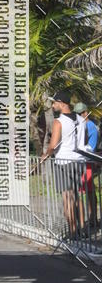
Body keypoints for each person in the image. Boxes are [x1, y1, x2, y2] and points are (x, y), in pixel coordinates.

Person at [40, 91, 86, 239]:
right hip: (79, 161)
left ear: (62, 103)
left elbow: (53, 145)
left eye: (55, 103)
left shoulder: (58, 122)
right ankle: (82, 229)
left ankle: (73, 231)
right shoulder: (81, 119)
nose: (53, 105)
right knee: (76, 197)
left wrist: (45, 155)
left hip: (64, 162)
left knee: (67, 198)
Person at [74, 102, 98, 235]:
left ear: (85, 113)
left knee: (89, 191)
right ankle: (91, 217)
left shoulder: (91, 127)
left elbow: (91, 147)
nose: (78, 116)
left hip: (88, 161)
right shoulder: (80, 125)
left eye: (79, 113)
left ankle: (93, 217)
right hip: (80, 161)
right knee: (85, 191)